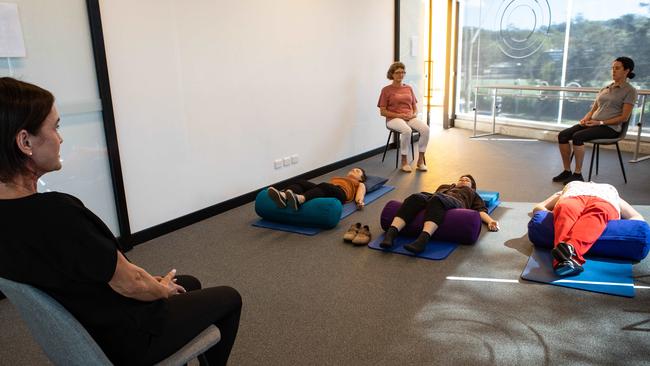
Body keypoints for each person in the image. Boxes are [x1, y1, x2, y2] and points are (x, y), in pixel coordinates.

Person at [0, 77, 242, 366]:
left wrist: (150, 283)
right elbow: (130, 283)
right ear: (25, 141)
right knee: (229, 298)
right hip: (122, 337)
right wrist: (159, 289)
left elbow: (95, 267)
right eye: (55, 127)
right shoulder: (56, 214)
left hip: (84, 328)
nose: (60, 138)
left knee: (187, 283)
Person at [553, 56, 638, 184]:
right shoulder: (605, 88)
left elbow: (624, 117)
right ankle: (566, 171)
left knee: (577, 137)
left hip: (610, 128)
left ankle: (577, 174)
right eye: (612, 68)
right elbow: (593, 110)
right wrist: (585, 118)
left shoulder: (630, 91)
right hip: (593, 124)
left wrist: (600, 122)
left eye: (617, 68)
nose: (613, 71)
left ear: (627, 71)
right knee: (563, 135)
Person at [533, 181, 644, 276]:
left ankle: (563, 257)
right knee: (566, 210)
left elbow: (637, 217)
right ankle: (570, 254)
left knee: (594, 213)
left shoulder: (612, 192)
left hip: (602, 201)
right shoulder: (568, 188)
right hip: (573, 198)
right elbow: (539, 207)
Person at [379, 175, 499, 254]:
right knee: (415, 197)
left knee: (437, 199)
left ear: (472, 187)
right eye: (461, 179)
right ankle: (391, 234)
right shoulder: (444, 186)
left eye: (467, 180)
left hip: (456, 202)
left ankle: (422, 241)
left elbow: (480, 210)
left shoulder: (473, 194)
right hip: (434, 197)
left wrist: (490, 221)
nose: (463, 180)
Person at [378, 62, 430, 173]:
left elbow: (414, 107)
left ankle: (420, 161)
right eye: (397, 73)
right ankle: (404, 161)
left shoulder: (409, 88)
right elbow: (382, 112)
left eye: (403, 72)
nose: (400, 75)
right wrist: (398, 115)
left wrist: (414, 114)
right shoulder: (386, 90)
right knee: (407, 130)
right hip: (393, 119)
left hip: (409, 117)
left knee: (426, 129)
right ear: (392, 74)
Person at [267, 168, 367, 210]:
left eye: (357, 171)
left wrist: (359, 202)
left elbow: (360, 193)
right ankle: (283, 196)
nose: (353, 170)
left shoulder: (359, 184)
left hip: (341, 194)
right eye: (353, 169)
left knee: (324, 185)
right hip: (326, 189)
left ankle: (300, 199)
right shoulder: (339, 178)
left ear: (361, 178)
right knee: (301, 182)